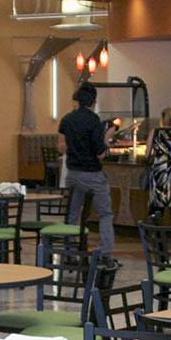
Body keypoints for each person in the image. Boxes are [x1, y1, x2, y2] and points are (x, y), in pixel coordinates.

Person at [60, 83, 116, 258]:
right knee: (105, 214)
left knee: (72, 214)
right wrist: (107, 141)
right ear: (93, 101)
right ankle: (105, 251)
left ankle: (69, 250)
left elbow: (61, 146)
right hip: (92, 174)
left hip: (73, 174)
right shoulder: (94, 121)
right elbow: (100, 154)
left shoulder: (66, 120)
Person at [144, 108, 171, 219]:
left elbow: (147, 154)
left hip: (158, 175)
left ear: (162, 119)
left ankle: (155, 234)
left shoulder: (155, 132)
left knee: (156, 209)